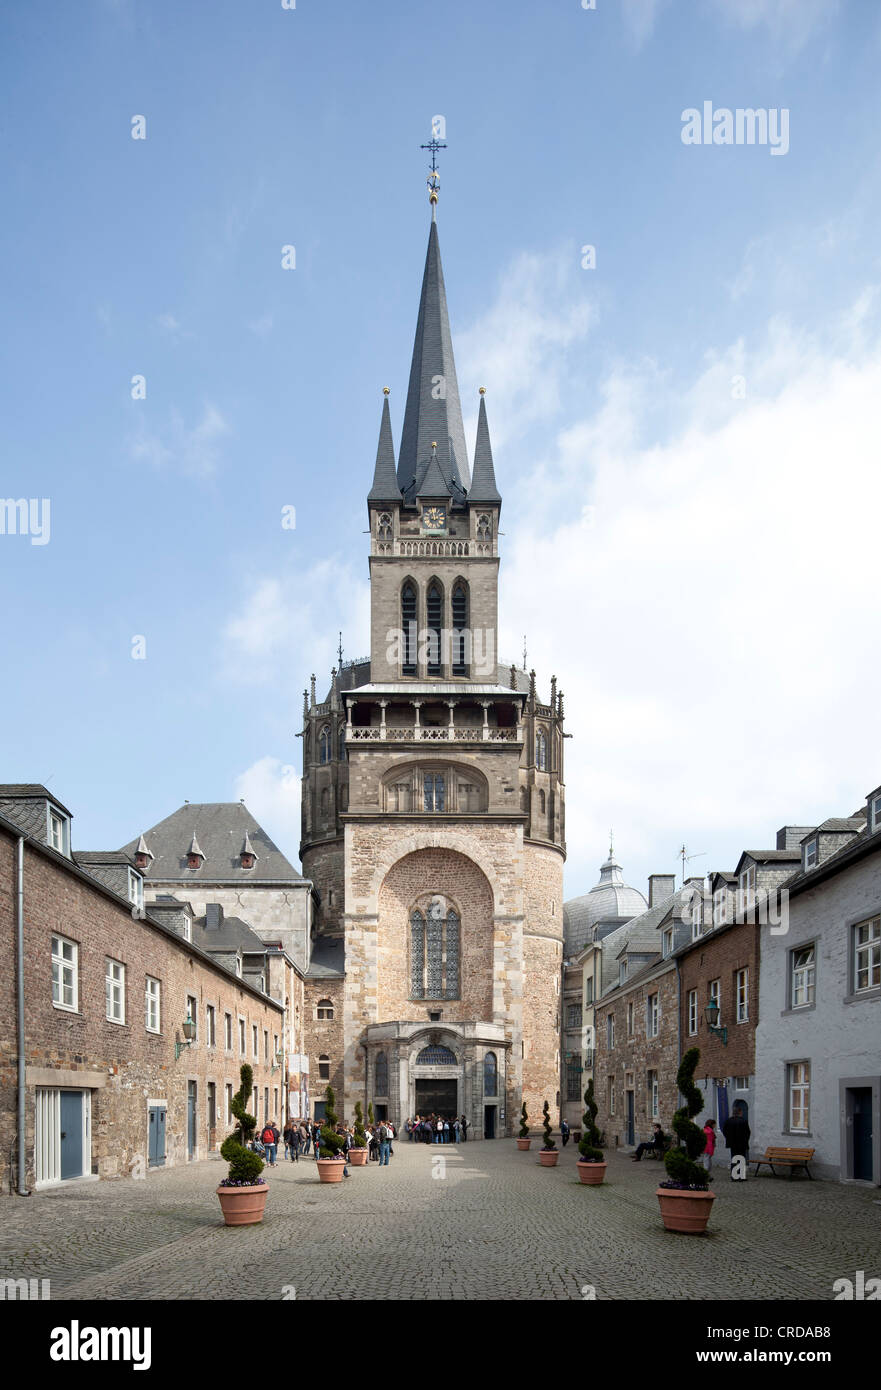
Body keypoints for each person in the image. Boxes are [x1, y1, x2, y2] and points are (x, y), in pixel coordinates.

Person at [722, 1103, 751, 1179]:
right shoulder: (743, 1121)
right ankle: (741, 1176)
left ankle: (734, 1176)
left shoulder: (728, 1121)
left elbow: (724, 1131)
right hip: (742, 1143)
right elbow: (748, 1132)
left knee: (734, 1158)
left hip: (732, 1143)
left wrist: (729, 1138)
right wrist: (745, 1140)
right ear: (740, 1112)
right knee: (741, 1159)